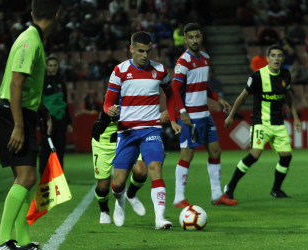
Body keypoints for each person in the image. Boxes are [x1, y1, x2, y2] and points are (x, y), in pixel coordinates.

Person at [0, 1, 60, 249]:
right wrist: (19, 126)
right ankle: (1, 242)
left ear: (32, 14)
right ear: (56, 15)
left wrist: (42, 111)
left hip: (22, 113)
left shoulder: (32, 38)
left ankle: (22, 240)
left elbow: (26, 87)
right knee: (27, 177)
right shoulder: (31, 41)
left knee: (25, 177)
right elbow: (16, 84)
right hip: (13, 114)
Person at [103, 31, 182, 229]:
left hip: (151, 130)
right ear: (131, 49)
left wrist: (172, 120)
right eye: (140, 51)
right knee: (118, 183)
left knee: (155, 169)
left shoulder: (160, 71)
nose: (145, 55)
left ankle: (159, 219)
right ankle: (120, 201)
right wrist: (110, 110)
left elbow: (171, 95)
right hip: (127, 132)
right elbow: (107, 104)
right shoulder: (120, 71)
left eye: (147, 51)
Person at [171, 23, 238, 208]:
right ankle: (178, 197)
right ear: (185, 39)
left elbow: (202, 85)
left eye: (197, 36)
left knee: (215, 150)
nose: (194, 40)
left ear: (201, 37)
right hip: (190, 114)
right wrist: (183, 112)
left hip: (204, 113)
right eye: (190, 37)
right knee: (187, 154)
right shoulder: (183, 61)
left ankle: (217, 195)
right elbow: (175, 88)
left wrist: (218, 98)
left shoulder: (205, 58)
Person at [224, 44, 302, 201]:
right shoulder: (257, 76)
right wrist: (231, 115)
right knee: (254, 155)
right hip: (261, 122)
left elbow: (288, 96)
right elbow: (243, 96)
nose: (276, 59)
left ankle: (276, 189)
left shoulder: (285, 75)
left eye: (279, 56)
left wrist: (295, 116)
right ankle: (229, 187)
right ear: (267, 59)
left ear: (282, 59)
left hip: (278, 123)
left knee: (286, 156)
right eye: (273, 56)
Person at [92, 96, 171, 224]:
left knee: (141, 172)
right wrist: (157, 119)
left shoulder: (143, 89)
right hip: (105, 140)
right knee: (103, 187)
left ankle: (130, 194)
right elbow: (122, 121)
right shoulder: (116, 92)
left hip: (130, 136)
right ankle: (104, 210)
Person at [39, 55, 73, 177]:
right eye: (50, 65)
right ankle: (44, 177)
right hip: (47, 121)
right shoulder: (41, 82)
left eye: (55, 65)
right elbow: (38, 103)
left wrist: (68, 122)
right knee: (45, 150)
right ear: (46, 67)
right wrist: (40, 120)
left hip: (61, 121)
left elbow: (65, 102)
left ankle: (58, 177)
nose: (53, 68)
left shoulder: (61, 83)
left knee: (60, 150)